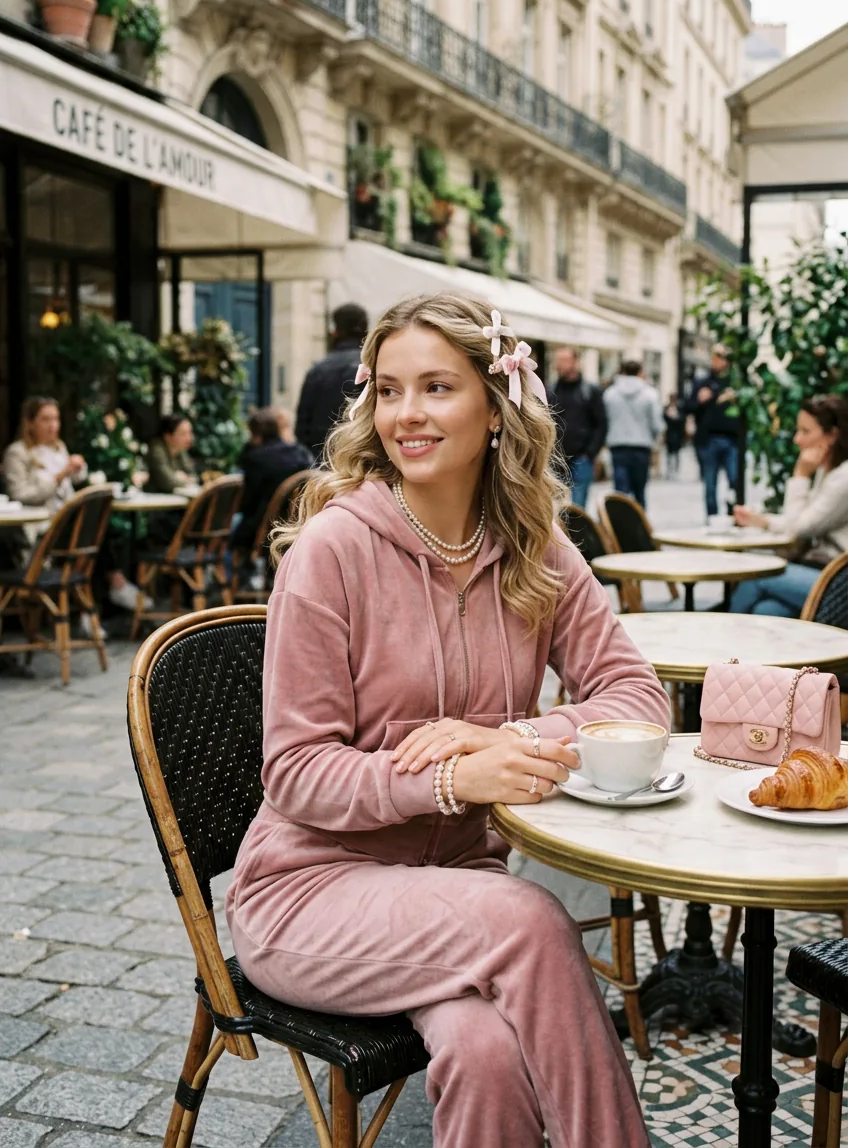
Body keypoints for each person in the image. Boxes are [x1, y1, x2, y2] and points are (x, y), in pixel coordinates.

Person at [226, 293, 668, 1148]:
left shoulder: (537, 547)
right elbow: (295, 773)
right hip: (311, 893)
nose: (405, 415)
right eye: (388, 391)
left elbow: (636, 696)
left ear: (496, 407)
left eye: (435, 387)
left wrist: (519, 739)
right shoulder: (334, 550)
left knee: (484, 1048)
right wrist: (443, 777)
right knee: (531, 918)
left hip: (454, 898)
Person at [2, 396, 148, 612]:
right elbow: (19, 493)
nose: (53, 425)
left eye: (56, 419)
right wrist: (60, 476)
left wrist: (78, 469)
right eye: (45, 419)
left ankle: (95, 602)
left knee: (94, 529)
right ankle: (109, 591)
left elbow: (75, 482)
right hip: (40, 528)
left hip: (64, 521)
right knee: (93, 529)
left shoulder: (58, 448)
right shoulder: (17, 453)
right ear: (30, 422)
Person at [730, 395, 848, 617]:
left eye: (805, 431)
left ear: (832, 435)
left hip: (839, 584)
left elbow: (799, 528)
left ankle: (722, 645)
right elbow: (805, 518)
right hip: (822, 573)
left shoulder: (844, 478)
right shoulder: (830, 471)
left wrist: (800, 475)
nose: (797, 439)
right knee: (767, 611)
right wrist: (762, 521)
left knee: (754, 576)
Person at [230, 408, 314, 557]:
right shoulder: (300, 453)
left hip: (263, 530)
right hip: (297, 525)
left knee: (227, 525)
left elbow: (246, 503)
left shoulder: (255, 458)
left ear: (254, 434)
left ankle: (227, 577)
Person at [294, 302, 369, 458]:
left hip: (325, 460)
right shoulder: (374, 367)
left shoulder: (318, 370)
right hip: (366, 458)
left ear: (335, 332)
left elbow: (302, 427)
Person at [547, 346, 607, 509]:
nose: (559, 364)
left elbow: (601, 423)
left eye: (564, 360)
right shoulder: (551, 390)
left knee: (578, 509)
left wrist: (590, 453)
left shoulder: (590, 391)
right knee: (556, 509)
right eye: (558, 360)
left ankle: (577, 536)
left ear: (575, 362)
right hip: (556, 458)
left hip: (582, 458)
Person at [687, 344, 739, 517]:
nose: (717, 361)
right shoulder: (702, 382)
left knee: (734, 481)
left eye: (721, 357)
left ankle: (733, 514)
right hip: (708, 440)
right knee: (710, 484)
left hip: (732, 439)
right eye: (715, 357)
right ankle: (712, 519)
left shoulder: (734, 383)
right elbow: (688, 407)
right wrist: (700, 400)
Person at [602, 360, 664, 509]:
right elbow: (657, 424)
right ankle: (640, 526)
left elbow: (605, 420)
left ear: (622, 372)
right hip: (641, 447)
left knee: (620, 493)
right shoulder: (650, 394)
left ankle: (620, 526)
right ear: (640, 372)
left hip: (618, 445)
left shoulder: (610, 394)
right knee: (640, 491)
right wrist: (655, 440)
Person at [145, 414, 197, 494]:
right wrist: (182, 479)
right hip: (153, 499)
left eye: (190, 433)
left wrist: (182, 478)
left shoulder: (181, 450)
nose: (189, 438)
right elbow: (167, 482)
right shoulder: (157, 449)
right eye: (183, 434)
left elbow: (194, 476)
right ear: (168, 436)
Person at [663, 393, 685, 479]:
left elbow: (683, 419)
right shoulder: (666, 408)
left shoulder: (680, 408)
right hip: (669, 433)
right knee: (669, 453)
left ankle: (676, 470)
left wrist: (676, 417)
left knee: (676, 453)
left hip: (678, 433)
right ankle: (669, 470)